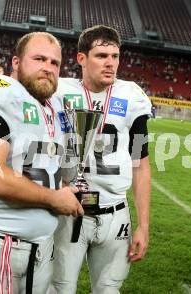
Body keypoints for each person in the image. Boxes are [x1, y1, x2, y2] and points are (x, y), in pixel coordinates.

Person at [0, 32, 84, 294]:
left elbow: (48, 168)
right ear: (16, 62)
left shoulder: (57, 107)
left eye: (54, 63)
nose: (47, 68)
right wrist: (52, 198)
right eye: (39, 59)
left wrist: (63, 189)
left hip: (41, 248)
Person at [52, 25, 152, 293]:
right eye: (101, 56)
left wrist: (143, 226)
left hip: (115, 215)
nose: (110, 63)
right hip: (69, 211)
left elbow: (140, 163)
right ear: (81, 58)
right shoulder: (58, 91)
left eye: (115, 56)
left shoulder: (131, 96)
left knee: (108, 289)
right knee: (60, 288)